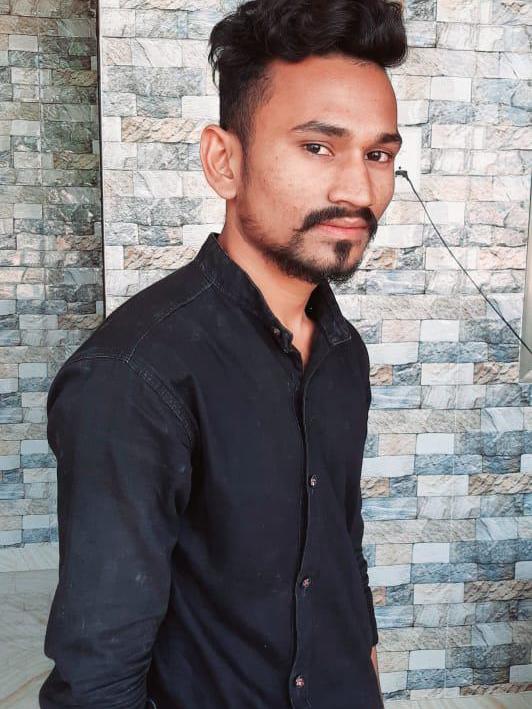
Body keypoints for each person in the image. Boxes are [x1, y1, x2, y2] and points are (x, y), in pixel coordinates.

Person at [39, 1, 407, 707]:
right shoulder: (134, 377)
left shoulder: (342, 351)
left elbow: (337, 541)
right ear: (223, 161)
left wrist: (362, 657)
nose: (358, 190)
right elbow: (97, 678)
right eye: (317, 147)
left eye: (378, 155)